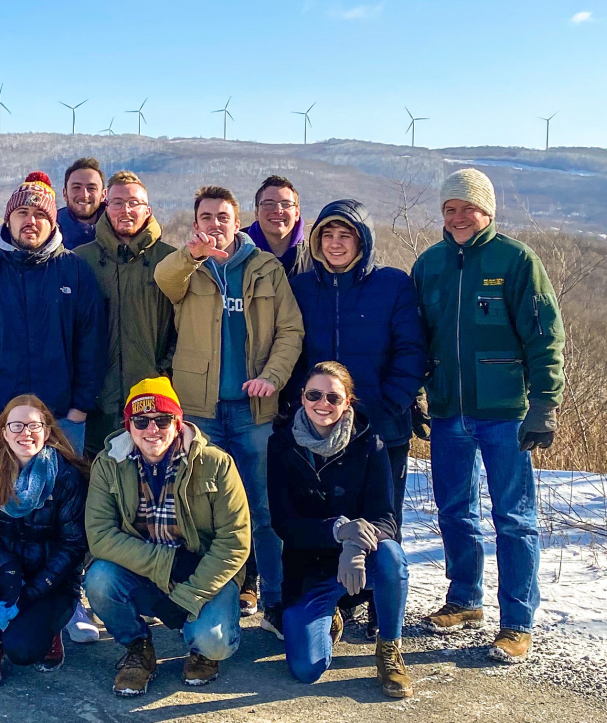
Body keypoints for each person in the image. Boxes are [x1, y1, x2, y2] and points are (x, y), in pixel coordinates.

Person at [412, 169, 565, 663]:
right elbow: (415, 339)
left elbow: (545, 336)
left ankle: (517, 622)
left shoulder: (517, 260)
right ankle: (464, 599)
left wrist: (544, 403)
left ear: (489, 211)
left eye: (468, 208)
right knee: (454, 511)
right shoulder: (429, 265)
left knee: (514, 519)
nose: (458, 217)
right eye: (449, 209)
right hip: (447, 410)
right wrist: (417, 394)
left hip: (504, 414)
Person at [154, 185, 303, 635]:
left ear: (237, 221)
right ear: (195, 221)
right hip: (200, 411)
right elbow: (164, 279)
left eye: (223, 216)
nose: (214, 224)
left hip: (253, 412)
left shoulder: (265, 268)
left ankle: (275, 602)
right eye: (206, 216)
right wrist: (192, 254)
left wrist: (273, 378)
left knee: (262, 510)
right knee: (203, 513)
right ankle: (204, 603)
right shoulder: (189, 268)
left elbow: (290, 330)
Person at [85, 378, 251, 696]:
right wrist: (168, 562)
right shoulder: (108, 464)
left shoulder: (216, 463)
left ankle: (202, 652)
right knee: (99, 579)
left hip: (202, 572)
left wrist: (188, 596)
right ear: (128, 425)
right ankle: (138, 648)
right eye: (141, 421)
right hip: (146, 569)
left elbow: (235, 540)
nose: (152, 430)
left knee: (214, 643)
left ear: (177, 422)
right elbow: (100, 535)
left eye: (162, 420)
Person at [268, 361, 412, 698]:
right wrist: (338, 531)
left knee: (392, 554)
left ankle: (389, 649)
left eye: (334, 398)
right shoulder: (282, 445)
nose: (323, 404)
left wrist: (356, 544)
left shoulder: (370, 443)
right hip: (310, 569)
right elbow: (283, 523)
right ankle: (331, 616)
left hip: (364, 563)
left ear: (348, 402)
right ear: (302, 398)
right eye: (315, 395)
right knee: (306, 670)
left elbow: (387, 519)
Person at [0, 171, 107, 458]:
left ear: (52, 222)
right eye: (22, 212)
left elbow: (92, 343)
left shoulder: (75, 271)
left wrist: (80, 408)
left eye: (40, 214)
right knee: (2, 498)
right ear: (9, 218)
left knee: (64, 498)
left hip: (62, 419)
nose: (31, 221)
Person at [288, 200, 424, 516]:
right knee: (322, 525)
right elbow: (290, 350)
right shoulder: (300, 288)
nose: (335, 243)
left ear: (362, 239)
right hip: (316, 430)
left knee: (382, 524)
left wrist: (389, 404)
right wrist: (300, 405)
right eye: (328, 234)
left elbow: (411, 350)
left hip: (381, 428)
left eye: (345, 235)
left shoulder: (393, 285)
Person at [0, 395, 90, 687]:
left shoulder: (67, 476)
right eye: (16, 425)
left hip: (52, 581)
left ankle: (49, 630)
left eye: (34, 426)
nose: (25, 433)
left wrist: (30, 592)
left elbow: (73, 544)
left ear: (48, 431)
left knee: (23, 650)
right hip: (4, 571)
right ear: (3, 431)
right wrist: (8, 567)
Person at [74, 170, 175, 458]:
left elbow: (184, 326)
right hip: (96, 402)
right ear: (106, 206)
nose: (126, 210)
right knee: (97, 486)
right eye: (117, 202)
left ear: (148, 210)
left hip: (152, 401)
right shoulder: (81, 260)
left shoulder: (169, 260)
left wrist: (162, 372)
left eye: (134, 203)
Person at [244, 175, 310, 277]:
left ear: (297, 213)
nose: (278, 211)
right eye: (269, 204)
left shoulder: (316, 259)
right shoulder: (236, 253)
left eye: (286, 204)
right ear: (256, 212)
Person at [56, 157, 105, 250]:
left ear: (103, 194)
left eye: (91, 188)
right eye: (76, 187)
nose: (84, 195)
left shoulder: (117, 228)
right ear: (65, 194)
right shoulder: (50, 230)